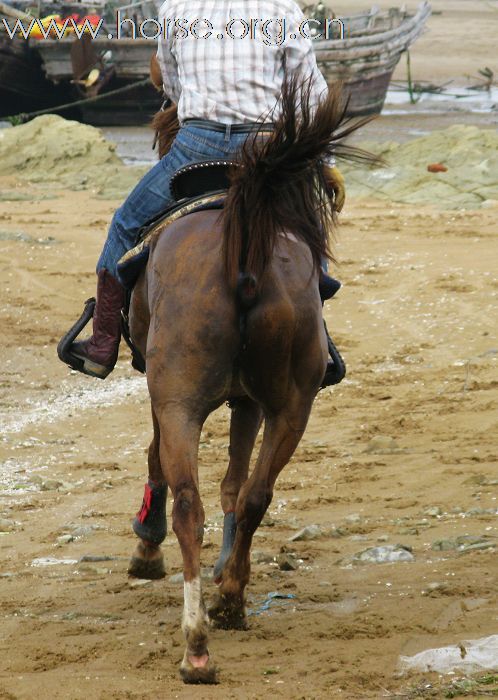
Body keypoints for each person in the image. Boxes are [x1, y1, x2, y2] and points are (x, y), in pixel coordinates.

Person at [63, 0, 346, 380]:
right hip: (267, 149)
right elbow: (311, 93)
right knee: (311, 232)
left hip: (197, 147)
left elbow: (173, 87)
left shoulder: (176, 9)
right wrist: (323, 162)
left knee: (125, 224)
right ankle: (317, 337)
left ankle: (102, 342)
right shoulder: (282, 9)